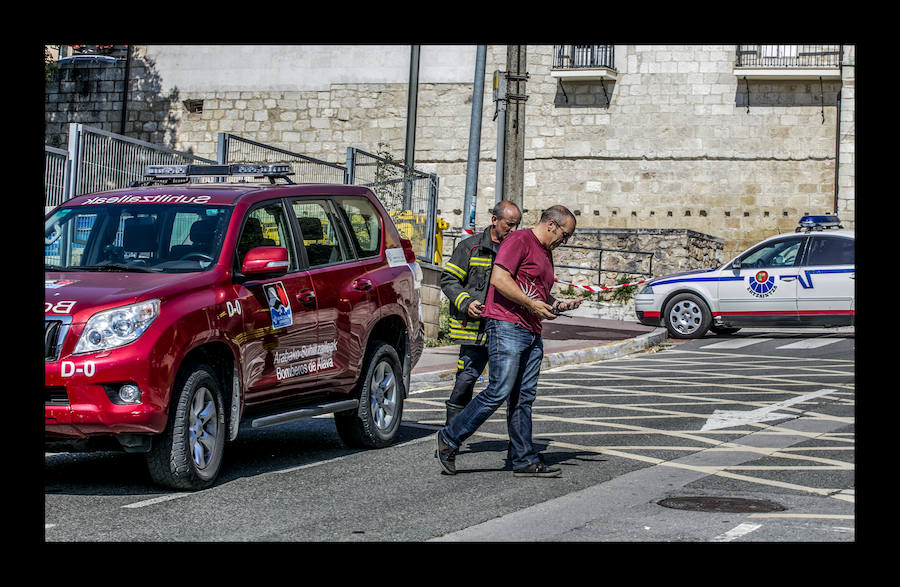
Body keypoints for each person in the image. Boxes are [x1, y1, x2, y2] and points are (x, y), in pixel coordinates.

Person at [435, 205, 582, 478]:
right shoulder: (519, 240)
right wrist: (532, 305)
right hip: (506, 325)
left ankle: (524, 459)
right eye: (566, 234)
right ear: (551, 224)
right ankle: (449, 437)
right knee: (499, 389)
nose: (565, 241)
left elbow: (536, 293)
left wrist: (559, 305)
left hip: (530, 329)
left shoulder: (545, 253)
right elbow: (499, 279)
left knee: (523, 397)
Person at [440, 200, 521, 425]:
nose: (513, 230)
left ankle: (518, 443)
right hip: (474, 330)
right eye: (509, 224)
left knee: (511, 385)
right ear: (494, 220)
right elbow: (448, 280)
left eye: (517, 225)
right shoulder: (469, 247)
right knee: (465, 380)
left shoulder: (516, 250)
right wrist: (466, 302)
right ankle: (452, 431)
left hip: (504, 329)